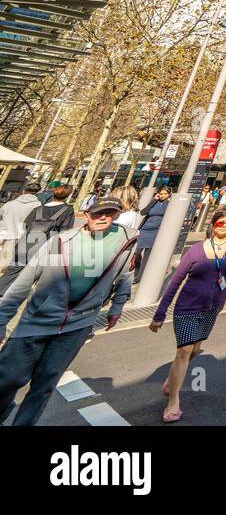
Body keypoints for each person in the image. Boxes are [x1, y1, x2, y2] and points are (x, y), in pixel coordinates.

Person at [0, 191, 136, 426]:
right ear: (86, 215)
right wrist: (2, 319)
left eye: (109, 213)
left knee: (44, 385)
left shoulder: (125, 240)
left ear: (117, 216)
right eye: (98, 213)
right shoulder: (61, 242)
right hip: (37, 322)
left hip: (77, 326)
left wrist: (118, 305)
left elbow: (125, 276)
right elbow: (24, 282)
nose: (103, 218)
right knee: (8, 379)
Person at [149, 206, 226, 423]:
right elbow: (175, 283)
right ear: (213, 224)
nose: (224, 226)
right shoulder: (196, 250)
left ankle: (172, 379)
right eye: (221, 222)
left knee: (194, 349)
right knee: (184, 350)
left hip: (213, 307)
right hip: (187, 307)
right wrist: (160, 314)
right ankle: (173, 401)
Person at [0, 182, 43, 279]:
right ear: (37, 193)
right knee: (10, 266)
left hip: (5, 235)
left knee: (3, 263)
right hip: (22, 236)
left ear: (24, 191)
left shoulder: (9, 204)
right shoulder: (38, 205)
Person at [133, 186, 172, 284]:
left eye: (165, 194)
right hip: (144, 230)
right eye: (161, 193)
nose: (162, 195)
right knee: (136, 252)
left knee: (147, 255)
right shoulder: (154, 202)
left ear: (169, 195)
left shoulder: (169, 204)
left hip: (156, 232)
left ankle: (139, 277)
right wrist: (154, 200)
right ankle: (136, 271)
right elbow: (143, 212)